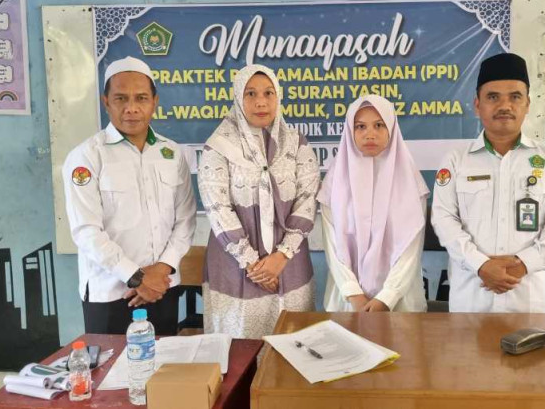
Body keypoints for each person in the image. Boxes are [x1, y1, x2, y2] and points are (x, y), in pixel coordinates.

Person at [431, 53, 545, 313]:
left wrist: (523, 264)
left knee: (538, 344)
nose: (504, 106)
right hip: (472, 300)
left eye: (515, 97)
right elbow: (444, 220)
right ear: (477, 105)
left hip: (533, 300)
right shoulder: (455, 161)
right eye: (493, 97)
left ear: (527, 104)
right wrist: (481, 265)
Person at [62, 56, 197, 335]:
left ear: (154, 102)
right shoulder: (86, 157)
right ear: (106, 102)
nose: (131, 108)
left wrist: (161, 270)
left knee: (164, 362)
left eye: (141, 98)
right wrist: (136, 278)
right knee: (111, 365)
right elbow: (87, 231)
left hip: (163, 288)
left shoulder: (172, 153)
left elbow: (185, 220)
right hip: (111, 293)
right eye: (121, 98)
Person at [198, 64, 319, 339]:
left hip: (290, 264)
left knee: (293, 345)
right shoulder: (218, 147)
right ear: (237, 98)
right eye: (250, 93)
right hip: (236, 267)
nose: (260, 102)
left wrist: (282, 256)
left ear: (278, 97)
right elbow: (218, 209)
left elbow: (308, 198)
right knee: (240, 349)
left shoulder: (296, 143)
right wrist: (254, 266)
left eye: (268, 93)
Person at [318, 95, 429, 312]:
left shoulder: (410, 182)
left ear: (391, 128)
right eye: (360, 126)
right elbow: (332, 245)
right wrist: (354, 293)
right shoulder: (335, 182)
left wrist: (387, 297)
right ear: (350, 131)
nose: (370, 134)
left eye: (379, 125)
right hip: (347, 302)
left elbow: (411, 248)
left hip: (400, 302)